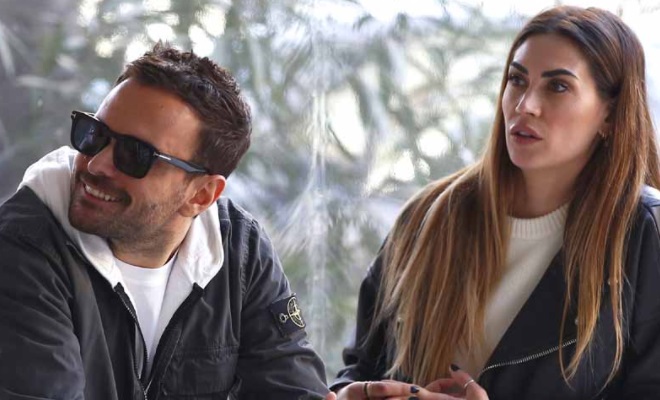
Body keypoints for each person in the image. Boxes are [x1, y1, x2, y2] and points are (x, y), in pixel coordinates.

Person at [328, 5, 660, 400]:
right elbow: (359, 369)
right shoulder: (427, 217)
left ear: (610, 113)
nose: (525, 105)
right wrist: (351, 394)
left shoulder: (643, 233)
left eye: (557, 86)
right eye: (517, 80)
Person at [0, 43, 330, 399]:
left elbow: (294, 388)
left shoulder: (240, 250)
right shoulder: (22, 246)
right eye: (95, 134)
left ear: (201, 195)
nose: (96, 164)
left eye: (135, 154)